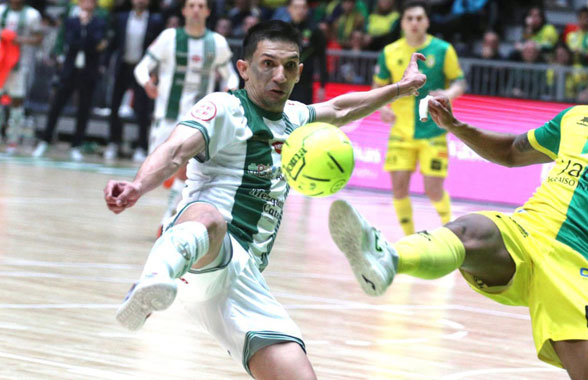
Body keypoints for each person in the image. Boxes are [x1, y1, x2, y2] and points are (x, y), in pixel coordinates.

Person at [329, 17, 588, 379]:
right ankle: (388, 258)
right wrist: (454, 125)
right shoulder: (579, 118)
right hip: (525, 234)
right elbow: (513, 151)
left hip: (581, 266)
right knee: (470, 229)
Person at [103, 20, 427, 379]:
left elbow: (340, 110)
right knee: (211, 220)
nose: (279, 75)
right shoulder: (224, 108)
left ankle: (162, 280)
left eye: (289, 66)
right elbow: (176, 149)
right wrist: (138, 186)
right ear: (243, 69)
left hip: (244, 280)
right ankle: (152, 279)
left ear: (299, 71)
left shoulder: (294, 118)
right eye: (268, 64)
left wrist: (400, 89)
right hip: (201, 251)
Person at [134, 0, 239, 226]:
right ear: (183, 10)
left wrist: (230, 88)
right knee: (160, 168)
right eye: (191, 5)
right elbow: (141, 68)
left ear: (208, 11)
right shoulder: (169, 38)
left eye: (201, 6)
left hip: (198, 119)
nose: (196, 10)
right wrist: (146, 83)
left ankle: (168, 219)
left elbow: (230, 75)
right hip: (167, 115)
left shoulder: (217, 42)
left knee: (186, 168)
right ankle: (171, 196)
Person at [374, 0, 466, 236]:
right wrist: (382, 106)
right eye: (409, 18)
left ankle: (451, 229)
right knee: (399, 188)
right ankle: (410, 238)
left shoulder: (443, 49)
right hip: (400, 131)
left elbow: (460, 81)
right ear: (402, 22)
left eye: (419, 18)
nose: (414, 23)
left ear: (426, 21)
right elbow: (378, 86)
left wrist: (448, 94)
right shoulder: (390, 52)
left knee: (433, 189)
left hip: (433, 130)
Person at [33, 0, 108, 161]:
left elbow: (97, 42)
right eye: (84, 1)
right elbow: (71, 42)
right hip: (69, 71)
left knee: (84, 109)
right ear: (79, 4)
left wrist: (85, 31)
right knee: (56, 106)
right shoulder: (70, 21)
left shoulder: (100, 22)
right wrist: (84, 30)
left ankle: (76, 145)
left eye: (91, 2)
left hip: (88, 72)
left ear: (95, 5)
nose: (87, 4)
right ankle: (45, 141)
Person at [105, 0, 164, 162]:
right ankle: (113, 143)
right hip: (123, 67)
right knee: (114, 106)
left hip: (143, 70)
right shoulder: (121, 18)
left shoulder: (156, 21)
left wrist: (156, 71)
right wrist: (105, 64)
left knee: (143, 109)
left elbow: (158, 50)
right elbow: (113, 44)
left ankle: (141, 146)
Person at [0, 0, 42, 154]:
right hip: (1, 62)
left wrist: (18, 40)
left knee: (16, 100)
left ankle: (13, 140)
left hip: (20, 63)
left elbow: (39, 38)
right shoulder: (1, 10)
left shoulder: (32, 14)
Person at [285, 0, 327, 104]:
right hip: (284, 80)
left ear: (307, 9)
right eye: (296, 7)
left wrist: (322, 85)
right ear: (289, 9)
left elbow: (322, 58)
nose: (300, 11)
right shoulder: (283, 30)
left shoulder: (315, 31)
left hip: (305, 83)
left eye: (303, 7)